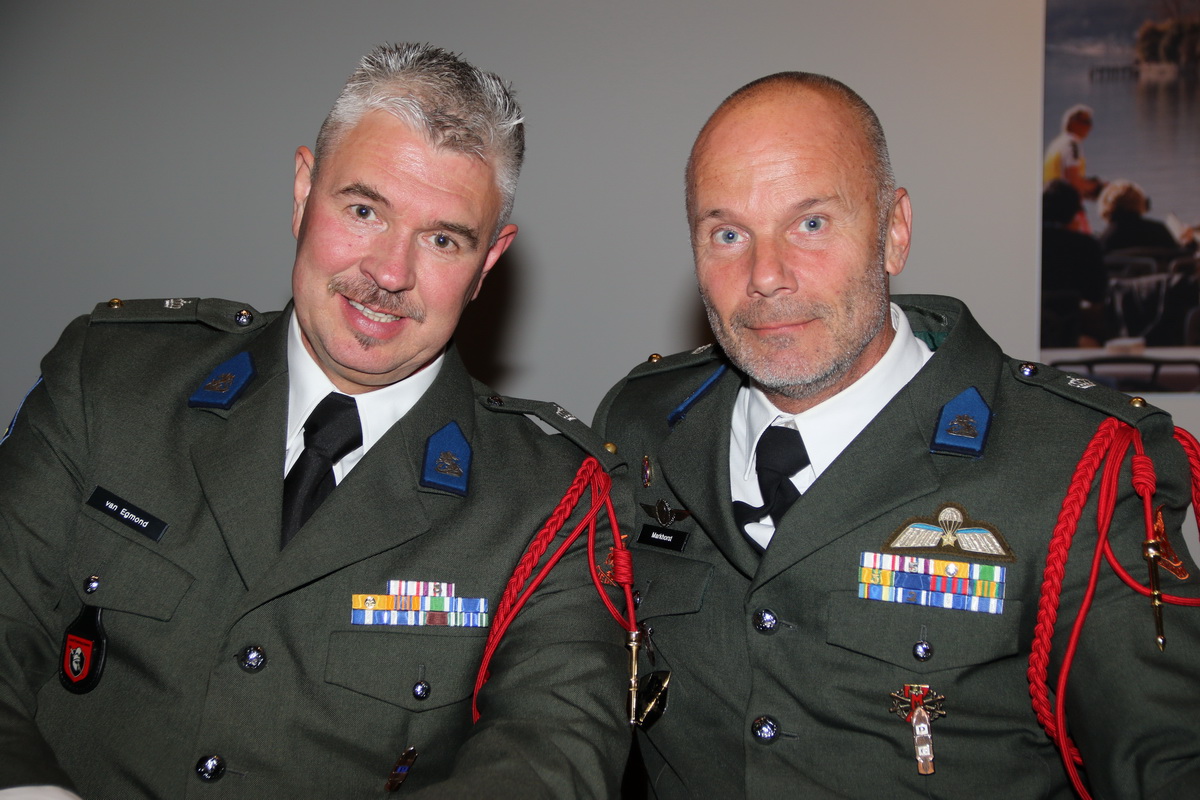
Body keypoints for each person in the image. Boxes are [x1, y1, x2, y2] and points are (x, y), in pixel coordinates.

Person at [0, 44, 630, 798]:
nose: (390, 273)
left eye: (442, 239)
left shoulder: (551, 499)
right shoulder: (112, 382)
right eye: (364, 211)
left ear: (488, 261)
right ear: (303, 192)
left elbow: (552, 760)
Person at [595, 72, 1200, 797]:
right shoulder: (642, 427)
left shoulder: (1075, 463)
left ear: (894, 232)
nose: (766, 276)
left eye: (811, 224)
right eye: (728, 234)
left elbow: (1167, 758)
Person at [1040, 179, 1107, 347]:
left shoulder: (1023, 244)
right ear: (1073, 212)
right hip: (1074, 329)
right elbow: (1097, 293)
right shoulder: (1086, 245)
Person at [1043, 104, 1103, 231]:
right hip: (1067, 208)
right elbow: (1073, 181)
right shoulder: (1072, 143)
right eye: (1086, 122)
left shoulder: (1056, 144)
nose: (1090, 127)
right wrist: (1098, 187)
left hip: (1050, 205)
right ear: (1072, 123)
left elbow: (1063, 178)